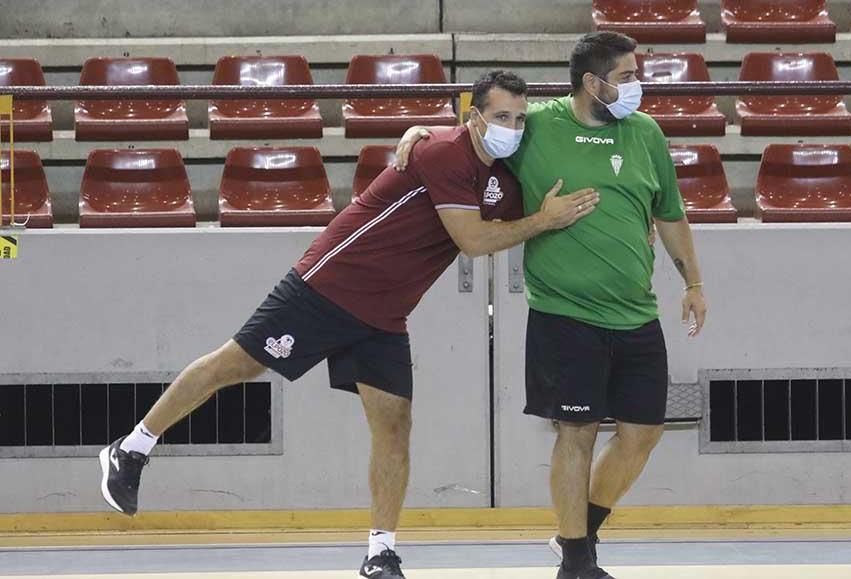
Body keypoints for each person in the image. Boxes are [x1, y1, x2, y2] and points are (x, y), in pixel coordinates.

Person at [97, 70, 600, 579]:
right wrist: (544, 220)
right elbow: (474, 240)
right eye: (499, 117)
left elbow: (522, 196)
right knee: (237, 365)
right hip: (328, 286)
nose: (511, 127)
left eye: (518, 118)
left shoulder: (504, 180)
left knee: (394, 425)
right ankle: (132, 446)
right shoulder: (443, 152)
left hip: (384, 314)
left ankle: (380, 552)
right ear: (472, 117)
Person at [396, 32, 708, 579]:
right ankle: (577, 561)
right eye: (629, 76)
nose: (639, 86)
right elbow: (484, 130)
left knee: (643, 434)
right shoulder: (538, 124)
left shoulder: (646, 133)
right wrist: (422, 133)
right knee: (576, 434)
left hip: (636, 312)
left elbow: (671, 213)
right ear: (593, 83)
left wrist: (694, 283)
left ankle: (577, 532)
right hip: (564, 314)